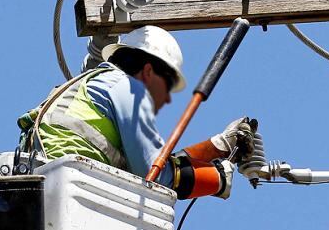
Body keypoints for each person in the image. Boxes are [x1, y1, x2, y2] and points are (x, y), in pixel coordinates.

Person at [18, 25, 251, 200]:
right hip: (74, 190)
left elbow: (158, 164)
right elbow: (157, 176)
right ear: (149, 72)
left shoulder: (92, 84)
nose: (167, 98)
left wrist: (216, 147)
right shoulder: (127, 88)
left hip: (44, 190)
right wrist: (217, 179)